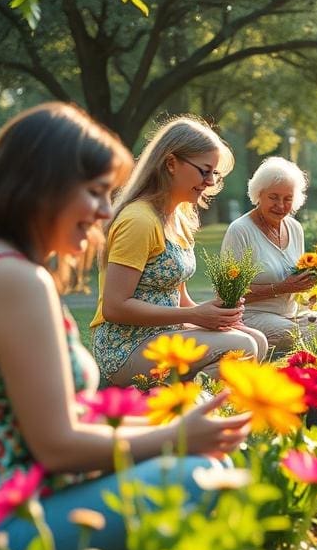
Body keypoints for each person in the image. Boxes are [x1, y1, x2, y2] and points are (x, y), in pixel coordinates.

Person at [0, 103, 250, 550]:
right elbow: (56, 445)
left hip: (33, 498)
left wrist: (179, 428)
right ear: (41, 186)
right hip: (12, 523)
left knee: (214, 459)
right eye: (94, 192)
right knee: (197, 477)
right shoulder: (15, 279)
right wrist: (174, 437)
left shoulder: (15, 271)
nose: (106, 210)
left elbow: (58, 424)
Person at [92, 117, 268, 385]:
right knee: (242, 347)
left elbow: (179, 298)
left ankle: (203, 413)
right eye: (204, 171)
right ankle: (182, 412)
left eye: (214, 173)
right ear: (171, 163)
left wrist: (214, 316)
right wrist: (194, 316)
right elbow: (115, 307)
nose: (210, 182)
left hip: (166, 334)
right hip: (125, 347)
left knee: (257, 340)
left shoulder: (180, 218)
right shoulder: (139, 220)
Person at [221, 157, 317, 352]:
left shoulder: (295, 228)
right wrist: (280, 288)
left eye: (287, 199)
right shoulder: (240, 230)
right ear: (258, 194)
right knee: (292, 334)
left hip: (291, 315)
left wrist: (306, 286)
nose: (280, 205)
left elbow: (294, 277)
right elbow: (227, 294)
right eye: (274, 197)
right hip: (251, 316)